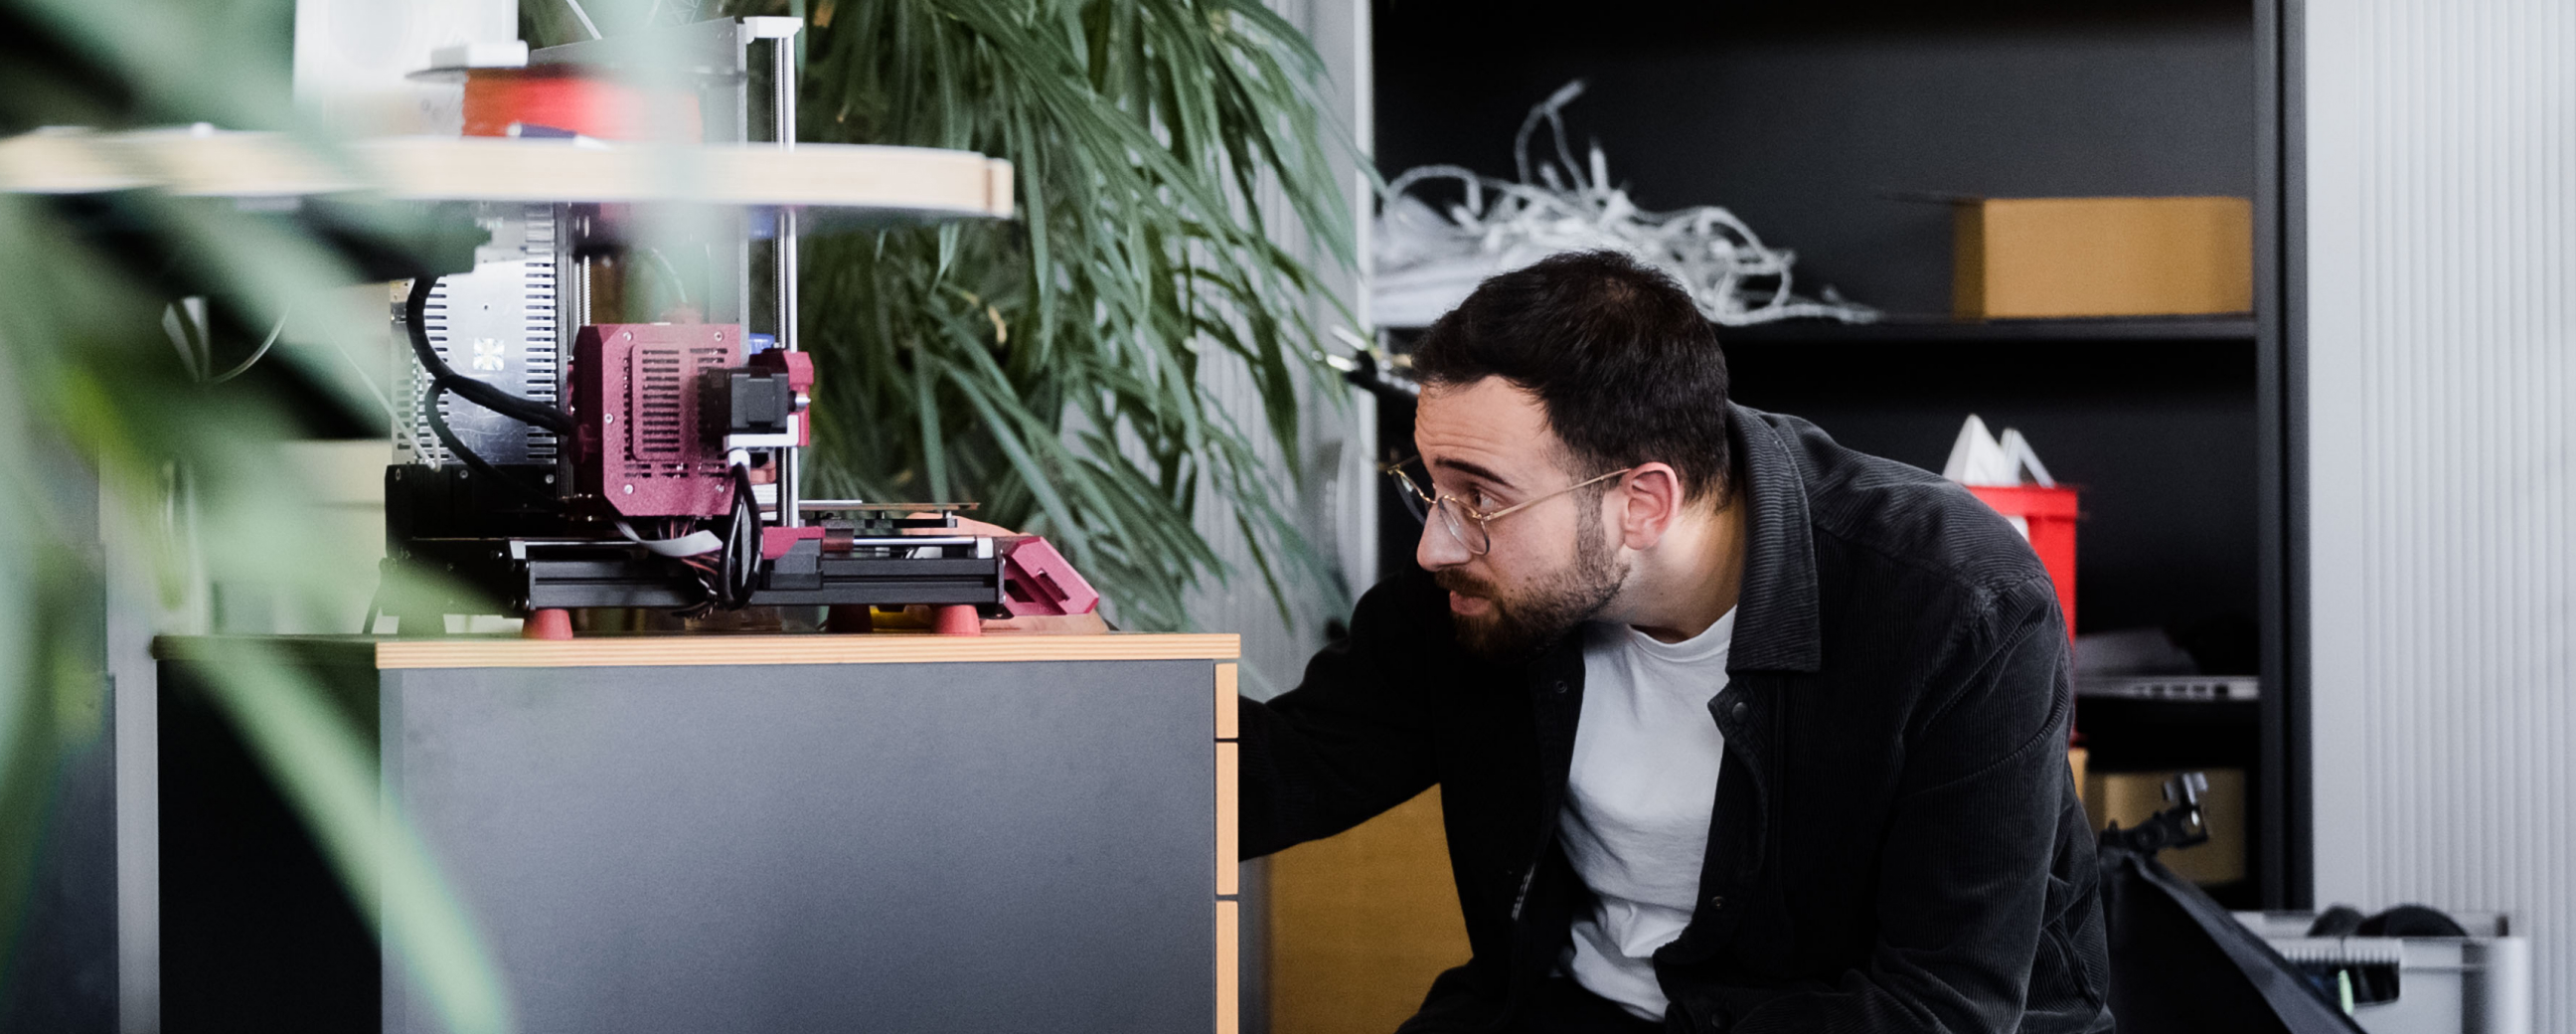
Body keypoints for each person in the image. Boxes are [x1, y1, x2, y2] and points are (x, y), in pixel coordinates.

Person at [1239, 251, 2113, 1033]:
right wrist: (1107, 668)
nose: (1435, 543)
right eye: (1430, 487)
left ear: (1644, 503)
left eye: (1480, 498)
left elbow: (1940, 1010)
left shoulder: (1959, 607)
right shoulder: (1478, 593)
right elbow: (1274, 778)